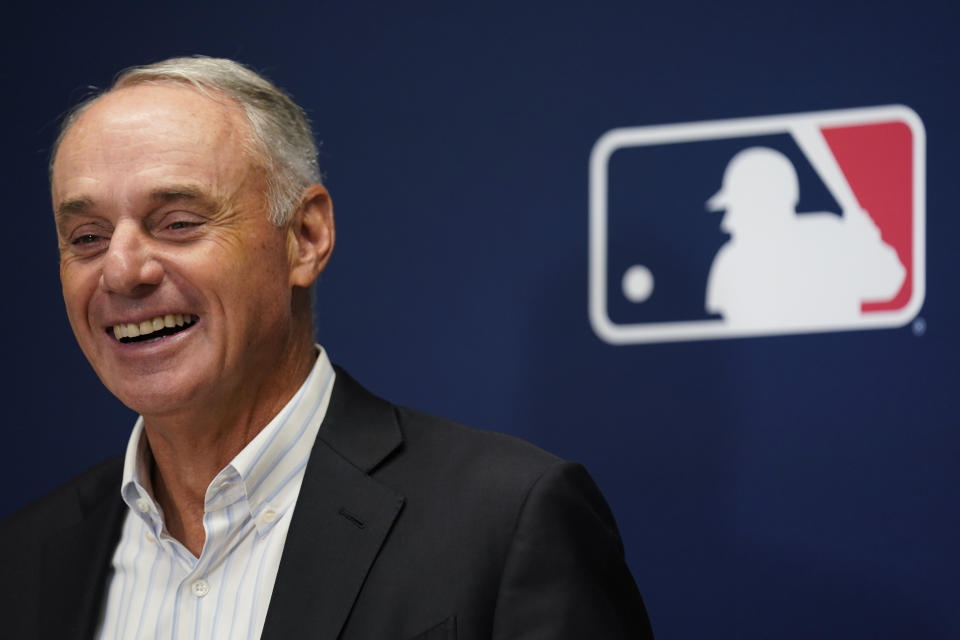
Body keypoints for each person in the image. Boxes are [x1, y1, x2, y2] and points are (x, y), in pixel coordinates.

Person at [0, 56, 653, 639]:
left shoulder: (506, 523)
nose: (120, 271)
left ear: (305, 236)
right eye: (86, 237)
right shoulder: (24, 558)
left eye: (177, 223)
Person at [705, 146, 905, 329]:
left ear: (765, 204)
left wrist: (867, 245)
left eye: (737, 209)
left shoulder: (831, 238)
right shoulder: (732, 261)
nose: (727, 223)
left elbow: (889, 282)